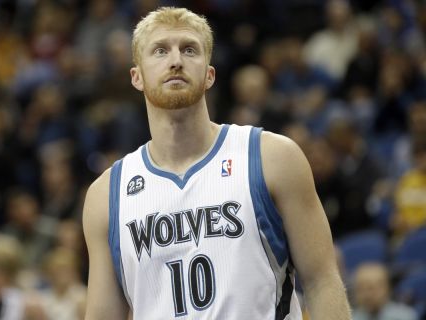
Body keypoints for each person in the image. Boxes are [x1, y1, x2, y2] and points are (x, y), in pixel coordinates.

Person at [83, 7, 351, 320]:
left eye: (189, 49)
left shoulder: (272, 157)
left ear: (209, 74)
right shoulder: (106, 195)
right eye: (159, 50)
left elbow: (322, 282)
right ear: (137, 77)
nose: (176, 60)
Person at [351, 263, 417, 320]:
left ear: (386, 288)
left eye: (371, 288)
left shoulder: (405, 317)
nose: (367, 294)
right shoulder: (350, 318)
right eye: (361, 289)